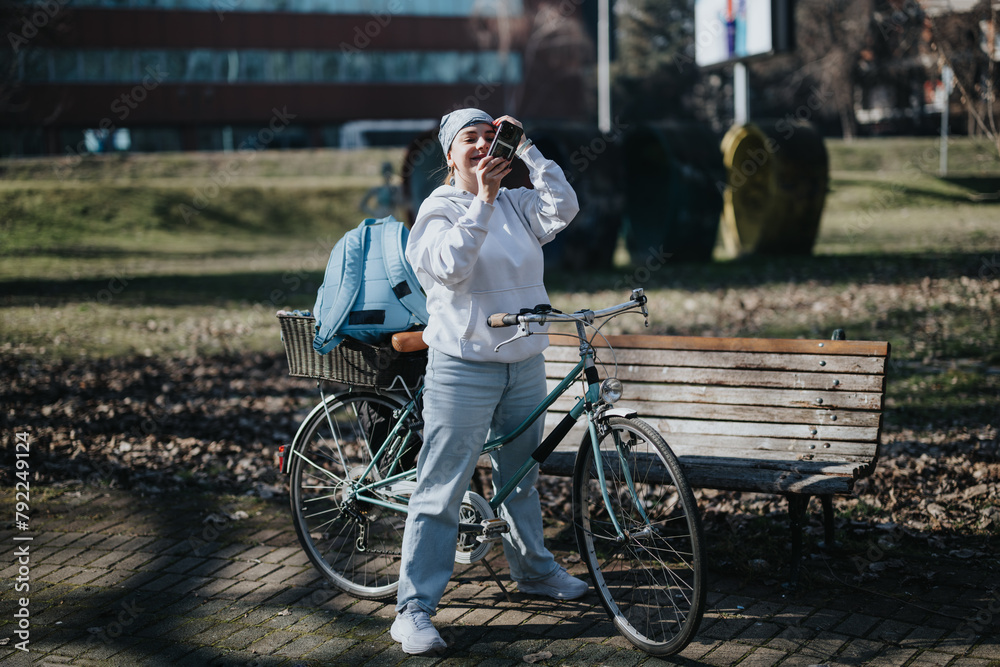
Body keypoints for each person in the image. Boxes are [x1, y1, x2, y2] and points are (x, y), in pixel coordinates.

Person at [391, 108, 587, 656]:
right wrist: (483, 199)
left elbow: (564, 208)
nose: (481, 145)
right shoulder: (439, 209)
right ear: (449, 155)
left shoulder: (518, 204)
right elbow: (452, 266)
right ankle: (413, 610)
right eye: (469, 139)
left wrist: (527, 152)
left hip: (523, 359)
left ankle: (535, 573)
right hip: (463, 364)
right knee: (441, 488)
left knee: (519, 476)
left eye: (489, 135)